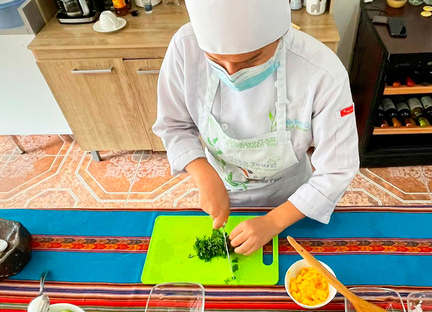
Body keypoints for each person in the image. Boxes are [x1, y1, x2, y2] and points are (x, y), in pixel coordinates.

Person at [153, 0, 359, 255]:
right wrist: (203, 174)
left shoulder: (322, 71)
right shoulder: (185, 47)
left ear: (280, 34)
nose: (231, 74)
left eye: (250, 60)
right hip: (223, 188)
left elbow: (337, 168)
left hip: (292, 198)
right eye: (216, 60)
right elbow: (174, 125)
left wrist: (273, 221)